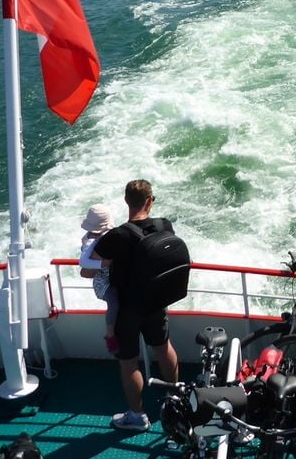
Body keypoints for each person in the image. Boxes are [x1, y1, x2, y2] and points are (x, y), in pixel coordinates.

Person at [92, 179, 180, 432]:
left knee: (129, 364)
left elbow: (94, 261)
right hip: (156, 303)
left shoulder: (117, 235)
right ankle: (174, 400)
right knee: (164, 349)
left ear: (126, 201)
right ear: (150, 201)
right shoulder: (165, 225)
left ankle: (137, 416)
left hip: (126, 310)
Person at [78, 204, 118, 353]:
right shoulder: (90, 241)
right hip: (103, 283)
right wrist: (103, 263)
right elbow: (83, 262)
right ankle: (110, 334)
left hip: (113, 276)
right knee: (114, 301)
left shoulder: (109, 235)